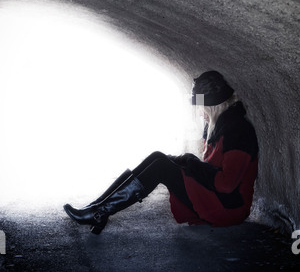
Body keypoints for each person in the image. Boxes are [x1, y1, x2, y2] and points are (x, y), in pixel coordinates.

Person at [64, 70, 259, 234]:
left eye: (201, 108)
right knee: (159, 156)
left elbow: (226, 185)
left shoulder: (237, 131)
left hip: (228, 206)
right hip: (216, 195)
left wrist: (192, 163)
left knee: (160, 167)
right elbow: (209, 170)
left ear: (212, 106)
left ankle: (99, 213)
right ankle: (97, 208)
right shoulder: (221, 124)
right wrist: (185, 161)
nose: (200, 113)